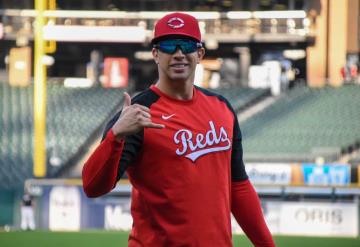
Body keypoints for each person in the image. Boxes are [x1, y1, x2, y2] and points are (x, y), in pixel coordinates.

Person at [82, 12, 275, 247]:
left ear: (200, 53)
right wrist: (116, 136)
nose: (178, 54)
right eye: (168, 46)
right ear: (155, 54)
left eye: (186, 45)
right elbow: (92, 187)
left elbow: (239, 186)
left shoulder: (222, 108)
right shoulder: (137, 112)